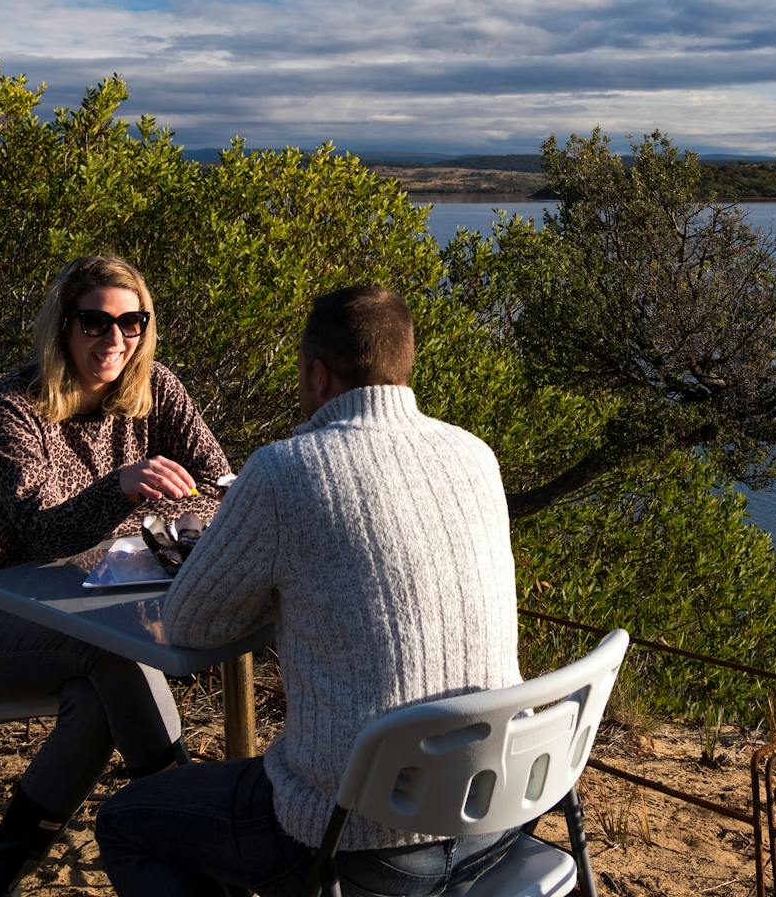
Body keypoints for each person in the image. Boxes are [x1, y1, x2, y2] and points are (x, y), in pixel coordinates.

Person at [96, 285, 521, 897]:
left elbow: (187, 625)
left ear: (318, 376)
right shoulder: (475, 455)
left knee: (125, 822)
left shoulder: (286, 470)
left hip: (357, 838)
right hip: (492, 813)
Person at [0, 255, 230, 896]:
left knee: (100, 707)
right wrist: (124, 489)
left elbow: (219, 485)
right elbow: (43, 529)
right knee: (119, 661)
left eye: (131, 323)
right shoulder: (14, 406)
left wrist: (152, 504)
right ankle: (188, 832)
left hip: (95, 613)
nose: (115, 340)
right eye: (95, 322)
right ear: (63, 326)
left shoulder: (159, 390)